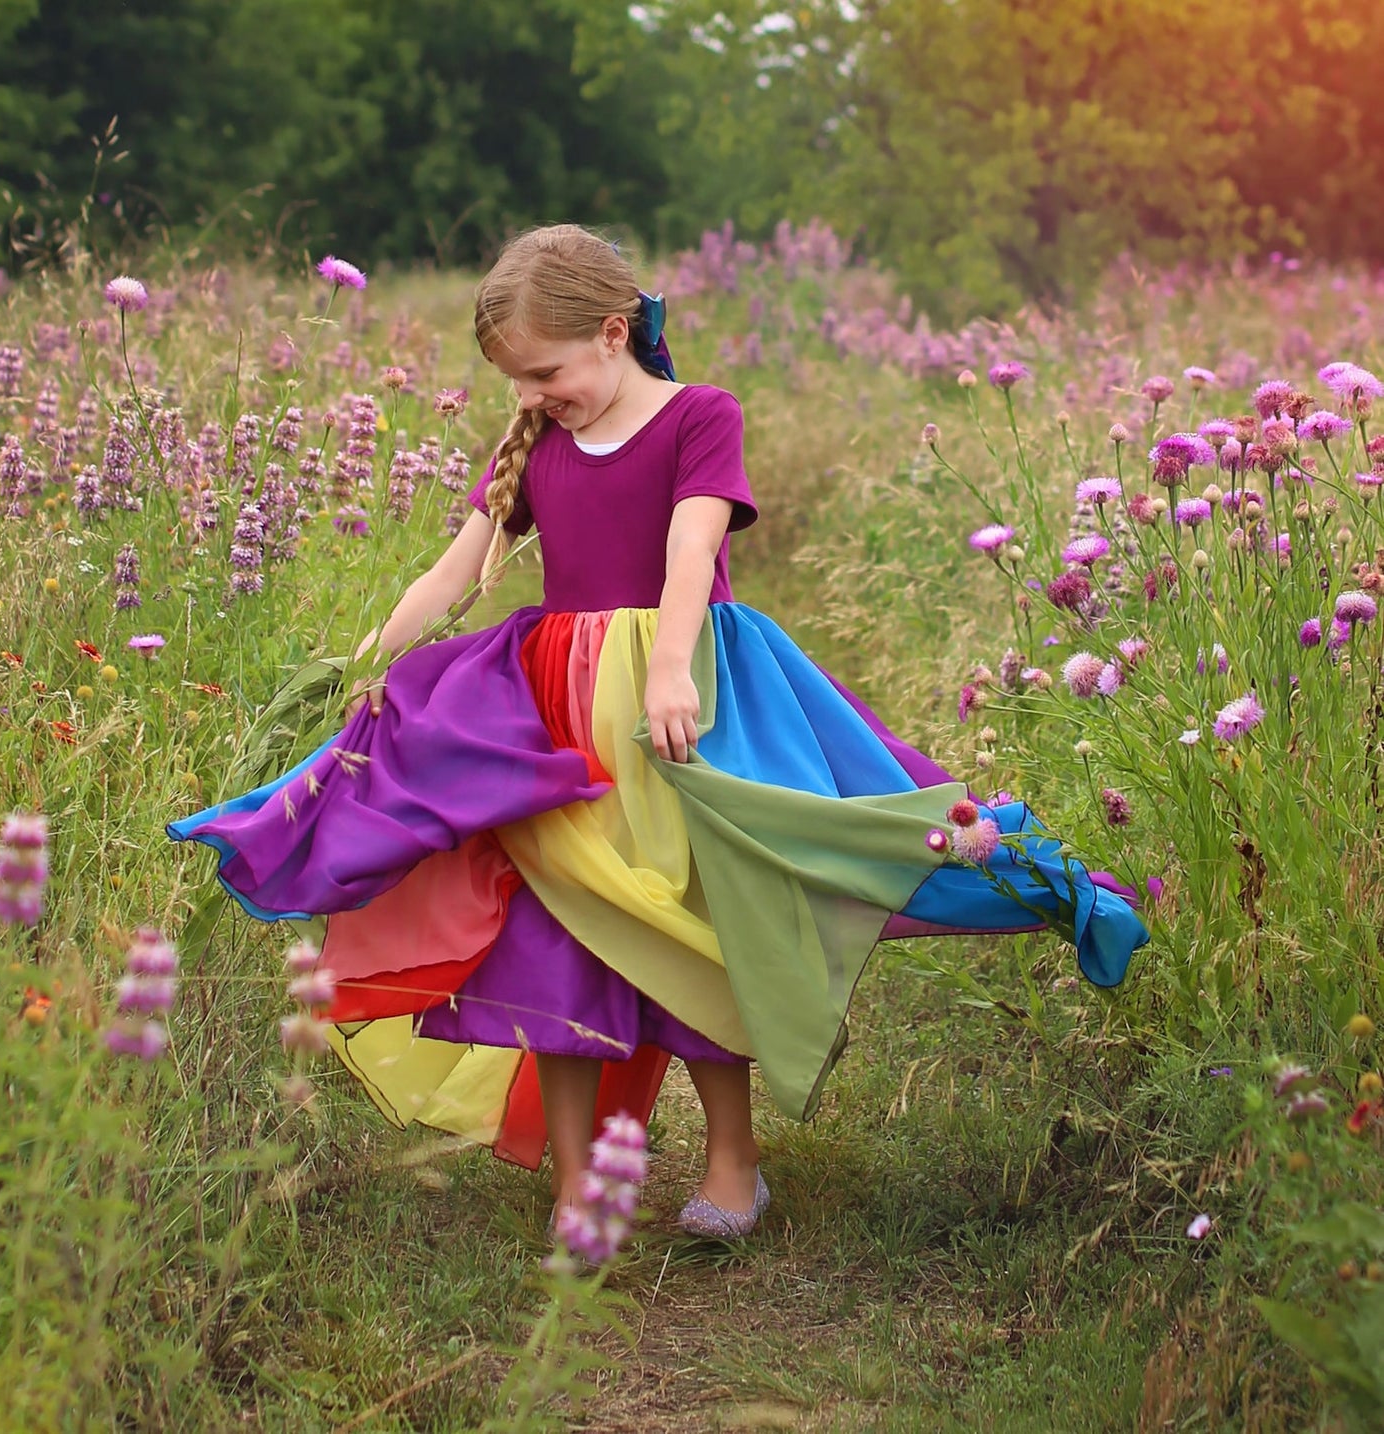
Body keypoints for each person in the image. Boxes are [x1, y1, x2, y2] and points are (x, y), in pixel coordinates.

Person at [170, 224, 1147, 1240]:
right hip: (558, 721)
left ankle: (733, 1166)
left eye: (545, 372)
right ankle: (575, 1189)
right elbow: (453, 572)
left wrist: (672, 669)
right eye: (517, 382)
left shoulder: (697, 418)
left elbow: (692, 550)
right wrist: (368, 656)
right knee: (551, 936)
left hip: (685, 709)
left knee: (702, 920)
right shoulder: (539, 443)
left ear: (608, 333)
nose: (533, 396)